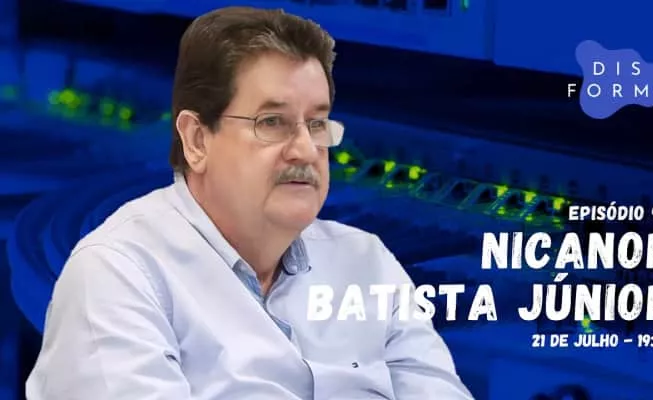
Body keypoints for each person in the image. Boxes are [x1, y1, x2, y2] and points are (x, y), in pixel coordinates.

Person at [26, 6, 474, 400]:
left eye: (317, 124)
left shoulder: (365, 261)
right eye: (272, 122)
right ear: (196, 140)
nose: (305, 150)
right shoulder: (119, 275)